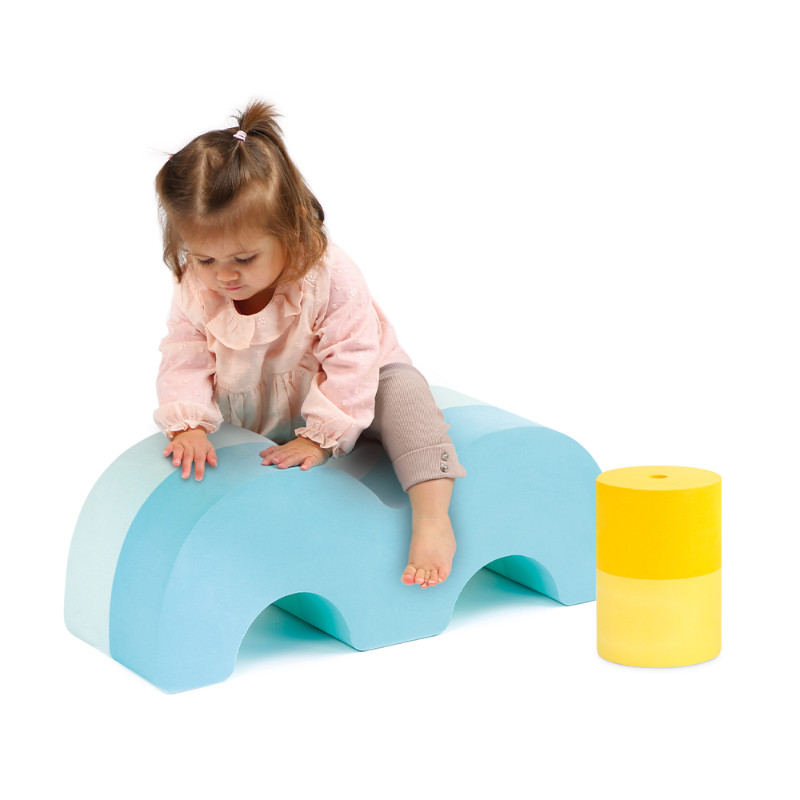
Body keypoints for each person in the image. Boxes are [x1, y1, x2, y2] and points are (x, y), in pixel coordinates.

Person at [153, 100, 465, 589]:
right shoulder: (197, 287)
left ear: (292, 230)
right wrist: (188, 423)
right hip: (261, 404)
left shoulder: (328, 276)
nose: (224, 275)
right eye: (205, 259)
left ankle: (433, 519)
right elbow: (184, 354)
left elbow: (354, 358)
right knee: (199, 460)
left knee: (405, 393)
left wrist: (321, 437)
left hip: (354, 387)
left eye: (243, 258)